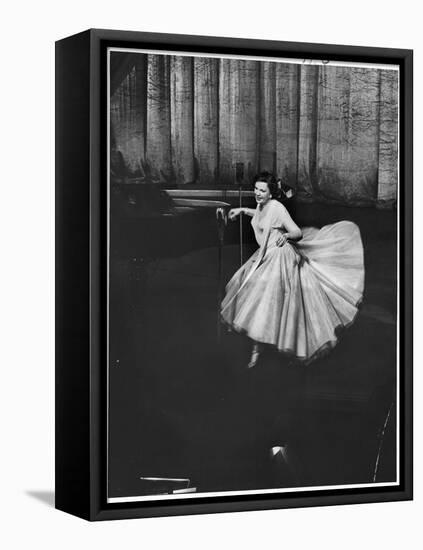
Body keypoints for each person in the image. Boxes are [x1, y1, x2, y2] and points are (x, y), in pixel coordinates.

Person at [221, 172, 364, 368]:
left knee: (269, 300)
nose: (258, 193)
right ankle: (258, 346)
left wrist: (286, 235)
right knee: (255, 294)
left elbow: (297, 232)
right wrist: (243, 210)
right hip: (266, 255)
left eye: (262, 190)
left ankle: (265, 348)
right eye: (256, 189)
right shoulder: (263, 205)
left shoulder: (277, 207)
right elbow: (262, 217)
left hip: (280, 256)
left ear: (271, 193)